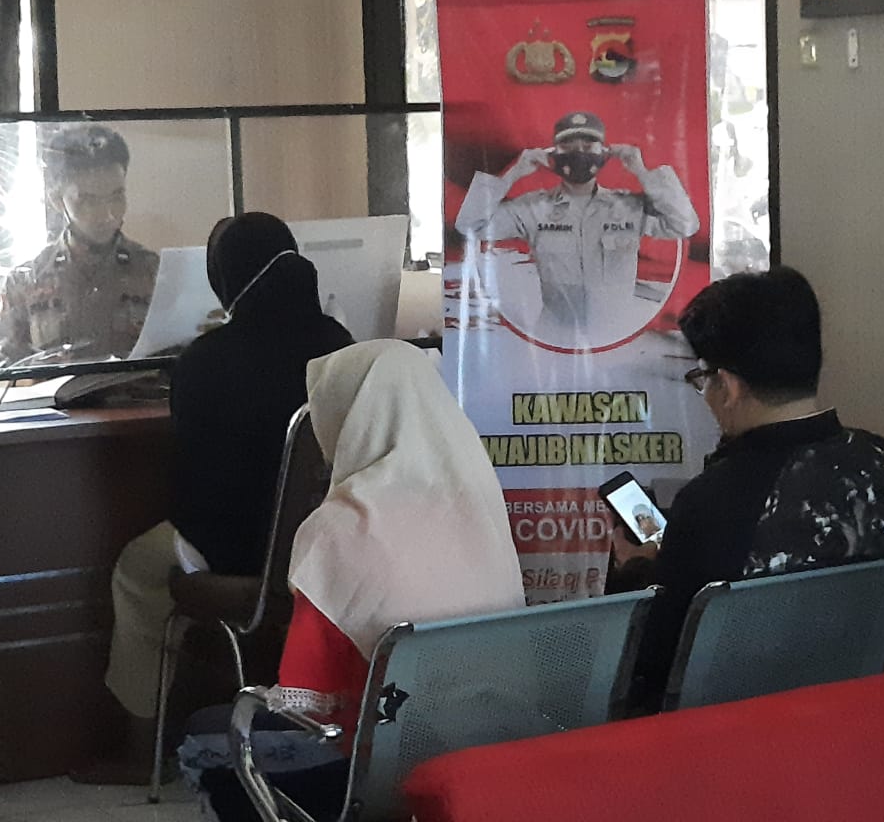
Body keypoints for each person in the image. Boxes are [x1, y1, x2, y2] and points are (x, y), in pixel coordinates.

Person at [182, 339, 525, 820]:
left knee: (206, 733)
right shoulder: (481, 508)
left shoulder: (339, 530)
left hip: (374, 778)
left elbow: (308, 702)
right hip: (486, 757)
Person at [80, 213, 353, 783]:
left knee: (137, 572)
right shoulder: (342, 346)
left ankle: (142, 752)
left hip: (233, 558)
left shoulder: (205, 360)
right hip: (324, 559)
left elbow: (198, 487)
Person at [610, 266, 884, 711]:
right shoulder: (881, 461)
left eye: (703, 379)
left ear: (730, 386)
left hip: (743, 733)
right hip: (870, 715)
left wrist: (640, 574)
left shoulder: (710, 501)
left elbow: (653, 666)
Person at [454, 111, 698, 338]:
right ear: (553, 154)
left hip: (615, 335)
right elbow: (469, 226)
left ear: (604, 153)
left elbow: (685, 225)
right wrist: (513, 174)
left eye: (588, 146)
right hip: (555, 336)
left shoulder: (629, 207)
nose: (579, 153)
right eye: (568, 146)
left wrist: (642, 172)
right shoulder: (533, 208)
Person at [0, 125, 158, 368]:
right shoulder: (25, 282)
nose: (108, 214)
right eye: (88, 201)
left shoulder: (154, 273)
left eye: (117, 197)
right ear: (57, 200)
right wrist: (37, 371)